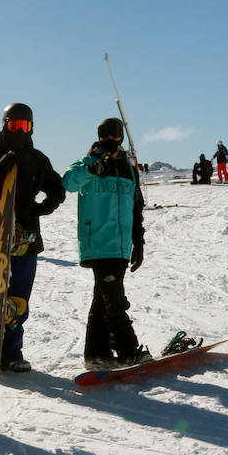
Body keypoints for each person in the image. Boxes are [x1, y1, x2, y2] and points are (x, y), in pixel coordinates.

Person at [0, 103, 64, 377]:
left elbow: (57, 188)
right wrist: (1, 166)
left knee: (18, 300)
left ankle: (11, 352)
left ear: (31, 127)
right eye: (14, 125)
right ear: (5, 124)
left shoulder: (37, 159)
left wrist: (42, 208)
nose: (19, 130)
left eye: (24, 126)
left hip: (26, 242)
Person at [62, 118, 150, 370]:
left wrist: (138, 240)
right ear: (99, 137)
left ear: (122, 138)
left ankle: (96, 353)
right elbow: (68, 182)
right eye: (106, 136)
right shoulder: (88, 162)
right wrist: (92, 168)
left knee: (103, 299)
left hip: (121, 245)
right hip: (98, 241)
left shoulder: (128, 168)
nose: (111, 140)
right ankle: (127, 351)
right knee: (114, 299)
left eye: (116, 136)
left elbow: (136, 206)